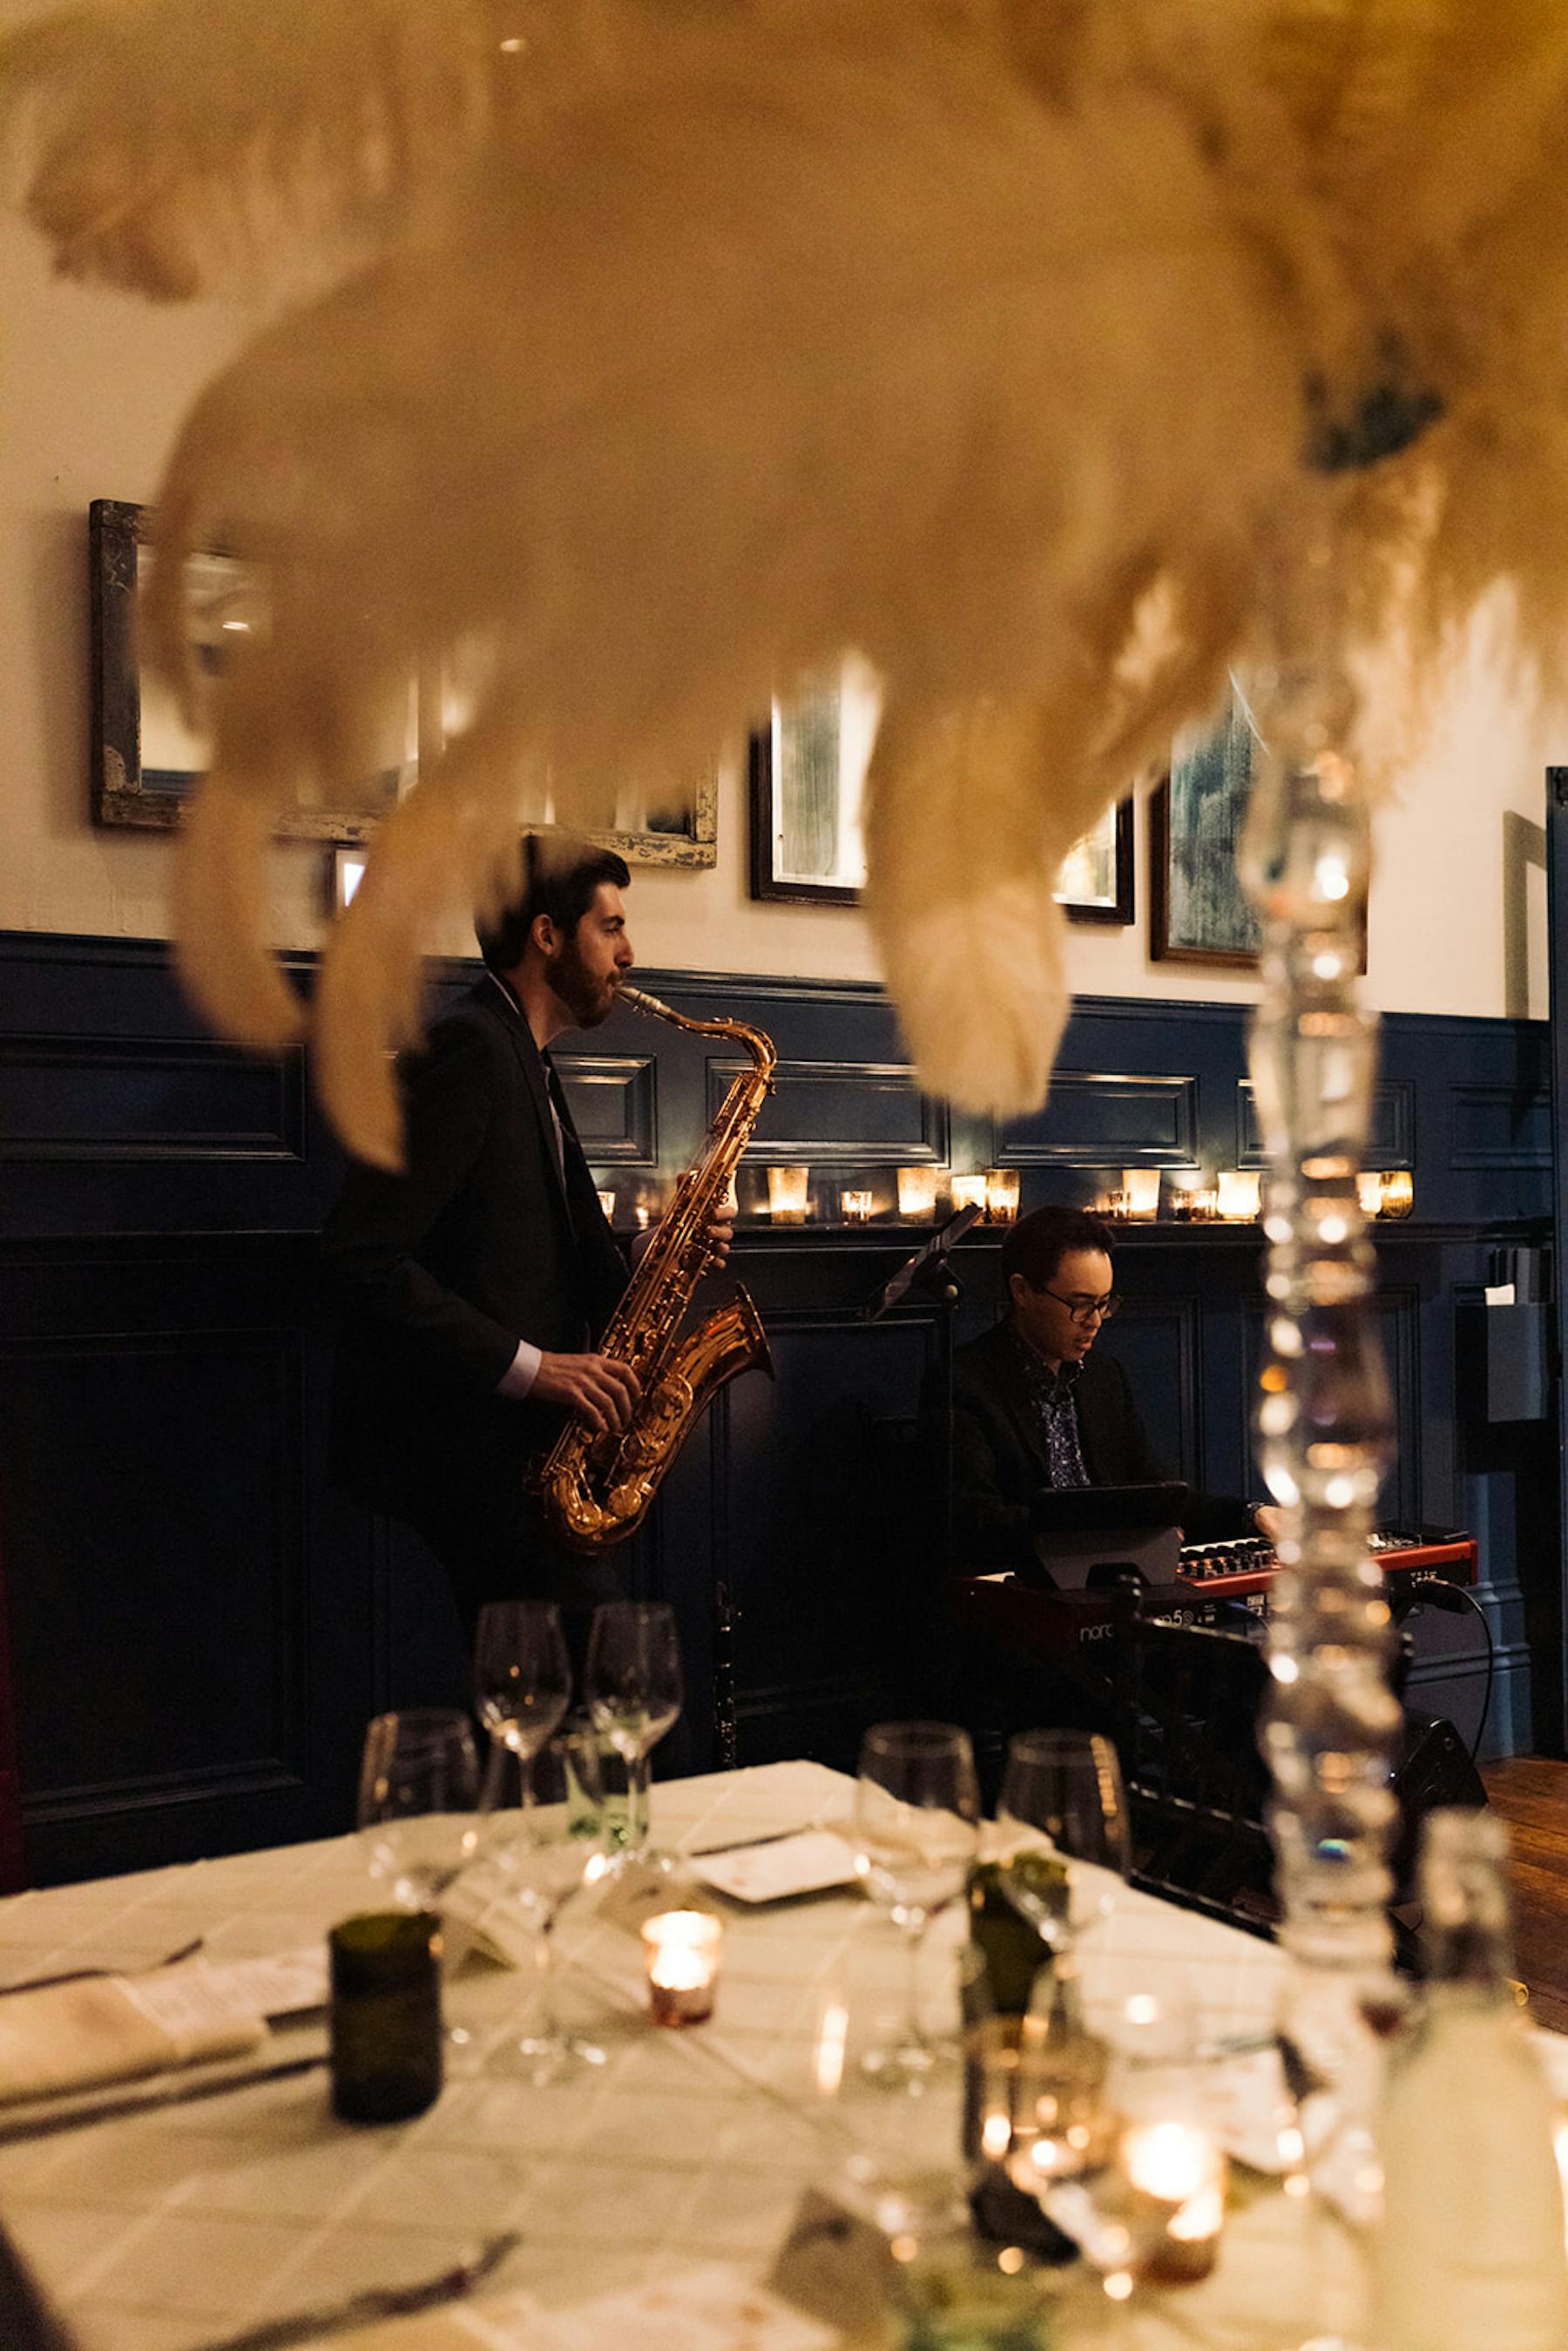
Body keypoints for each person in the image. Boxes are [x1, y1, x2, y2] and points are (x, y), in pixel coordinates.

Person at [322, 834, 724, 1654]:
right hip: (477, 1458)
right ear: (547, 935)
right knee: (613, 1687)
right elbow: (360, 1258)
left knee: (556, 1713)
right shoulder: (471, 1049)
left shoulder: (525, 1059)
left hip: (523, 1455)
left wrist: (665, 1248)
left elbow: (543, 1248)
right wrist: (539, 1370)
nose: (628, 952)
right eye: (609, 927)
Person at [945, 1202, 1271, 1581]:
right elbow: (977, 1522)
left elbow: (1159, 1494)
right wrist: (1104, 1529)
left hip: (1113, 1579)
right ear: (1023, 1291)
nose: (1096, 1322)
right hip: (1026, 1589)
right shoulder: (965, 1381)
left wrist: (1252, 1515)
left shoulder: (1103, 1376)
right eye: (1080, 1305)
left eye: (1104, 1304)